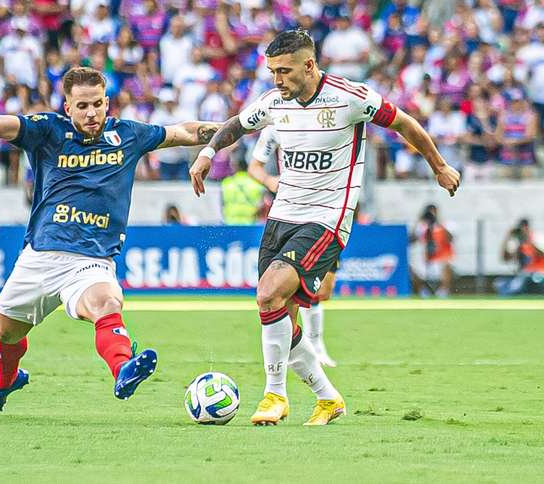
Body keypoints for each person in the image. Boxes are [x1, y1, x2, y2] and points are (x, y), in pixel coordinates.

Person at [189, 30, 460, 426]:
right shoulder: (273, 103)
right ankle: (328, 398)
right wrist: (208, 153)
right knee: (278, 312)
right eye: (272, 72)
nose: (276, 80)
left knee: (268, 294)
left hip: (327, 218)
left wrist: (439, 166)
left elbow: (405, 124)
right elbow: (235, 125)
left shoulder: (350, 97)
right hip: (282, 216)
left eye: (284, 71)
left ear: (310, 65)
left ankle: (274, 395)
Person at [0, 67, 218, 415]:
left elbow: (185, 132)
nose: (91, 113)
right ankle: (6, 380)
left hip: (90, 261)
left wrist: (238, 126)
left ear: (107, 102)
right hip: (39, 257)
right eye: (82, 105)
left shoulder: (127, 135)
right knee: (6, 333)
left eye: (98, 104)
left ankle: (123, 368)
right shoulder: (46, 130)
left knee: (107, 302)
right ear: (67, 107)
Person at [247, 125, 337, 367]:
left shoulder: (327, 119)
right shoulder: (276, 126)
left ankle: (307, 347)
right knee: (287, 293)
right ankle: (312, 348)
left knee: (324, 291)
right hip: (290, 214)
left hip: (326, 214)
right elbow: (254, 167)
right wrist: (270, 181)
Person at [495, 218, 544, 296]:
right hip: (525, 276)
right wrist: (508, 237)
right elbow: (505, 258)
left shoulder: (539, 237)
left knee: (532, 279)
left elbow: (542, 253)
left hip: (542, 275)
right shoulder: (517, 242)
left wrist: (528, 239)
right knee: (501, 283)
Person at [409, 204, 454, 297]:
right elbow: (411, 240)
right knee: (410, 268)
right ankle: (423, 292)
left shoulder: (444, 224)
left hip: (440, 258)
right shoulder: (422, 226)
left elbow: (450, 238)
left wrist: (438, 222)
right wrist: (418, 221)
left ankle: (443, 292)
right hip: (425, 259)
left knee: (448, 266)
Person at [221, 158, 264, 225]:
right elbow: (261, 204)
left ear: (235, 168)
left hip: (230, 222)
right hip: (250, 223)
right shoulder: (256, 183)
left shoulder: (227, 182)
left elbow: (222, 203)